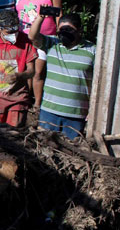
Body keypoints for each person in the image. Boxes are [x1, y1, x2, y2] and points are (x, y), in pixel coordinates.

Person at [29, 11, 95, 139]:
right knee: (44, 148)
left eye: (69, 30)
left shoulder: (92, 51)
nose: (64, 33)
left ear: (80, 30)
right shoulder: (53, 44)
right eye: (61, 30)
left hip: (76, 115)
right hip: (49, 111)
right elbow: (32, 36)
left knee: (71, 152)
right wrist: (41, 17)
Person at [15, 0, 61, 108]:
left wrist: (60, 30)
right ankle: (26, 99)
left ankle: (38, 103)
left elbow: (58, 13)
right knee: (25, 70)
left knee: (38, 72)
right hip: (23, 37)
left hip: (44, 38)